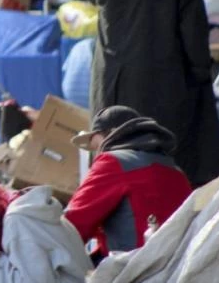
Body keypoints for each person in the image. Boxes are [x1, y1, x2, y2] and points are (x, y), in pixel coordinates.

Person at [78, 0, 219, 187]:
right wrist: (200, 75)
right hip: (166, 81)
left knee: (115, 155)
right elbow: (193, 27)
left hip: (112, 81)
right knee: (166, 159)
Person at [67, 106, 193, 264]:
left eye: (95, 146)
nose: (97, 153)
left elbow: (74, 224)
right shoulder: (176, 171)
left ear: (108, 135)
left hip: (130, 273)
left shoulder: (113, 162)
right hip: (177, 269)